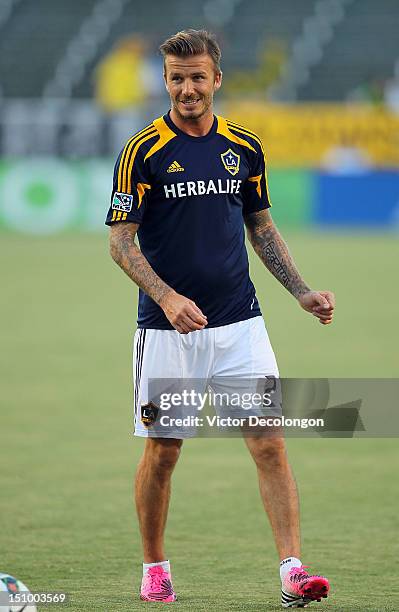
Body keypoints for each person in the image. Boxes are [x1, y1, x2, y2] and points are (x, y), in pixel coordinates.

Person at [105, 29, 335, 608]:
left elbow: (261, 228)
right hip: (168, 334)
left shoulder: (245, 148)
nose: (187, 88)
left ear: (216, 79)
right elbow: (122, 244)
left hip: (241, 326)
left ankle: (292, 569)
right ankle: (155, 568)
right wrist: (166, 297)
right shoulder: (142, 151)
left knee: (269, 444)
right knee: (165, 450)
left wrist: (301, 291)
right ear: (166, 81)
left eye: (197, 76)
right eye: (177, 78)